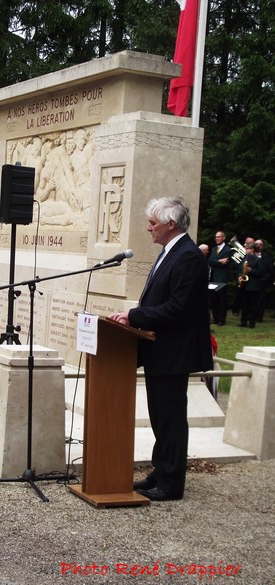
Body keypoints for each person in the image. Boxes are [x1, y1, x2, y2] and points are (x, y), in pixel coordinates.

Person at [109, 196, 213, 501]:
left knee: (170, 417)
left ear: (170, 224)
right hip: (158, 348)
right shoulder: (171, 252)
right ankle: (160, 471)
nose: (148, 228)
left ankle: (171, 483)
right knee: (159, 415)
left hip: (173, 351)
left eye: (153, 223)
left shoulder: (189, 257)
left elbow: (177, 308)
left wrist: (134, 316)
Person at [208, 231, 232, 325]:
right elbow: (210, 261)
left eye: (218, 237)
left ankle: (222, 319)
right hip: (213, 277)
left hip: (222, 278)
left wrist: (216, 261)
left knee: (222, 300)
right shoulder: (214, 249)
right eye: (216, 237)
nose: (216, 238)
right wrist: (219, 261)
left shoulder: (228, 250)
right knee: (213, 299)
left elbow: (226, 263)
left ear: (223, 238)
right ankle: (216, 318)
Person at [237, 242, 263, 328]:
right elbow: (240, 269)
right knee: (244, 304)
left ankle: (252, 322)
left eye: (246, 248)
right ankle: (243, 321)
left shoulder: (258, 259)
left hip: (253, 285)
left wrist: (251, 270)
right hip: (244, 284)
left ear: (251, 249)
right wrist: (240, 276)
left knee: (252, 305)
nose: (245, 250)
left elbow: (260, 272)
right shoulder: (245, 258)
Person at [254, 239, 274, 322]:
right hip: (251, 282)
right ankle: (250, 316)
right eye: (257, 244)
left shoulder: (266, 257)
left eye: (260, 244)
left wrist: (263, 279)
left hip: (262, 282)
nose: (258, 246)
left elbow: (269, 270)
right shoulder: (250, 255)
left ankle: (259, 318)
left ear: (263, 246)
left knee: (261, 301)